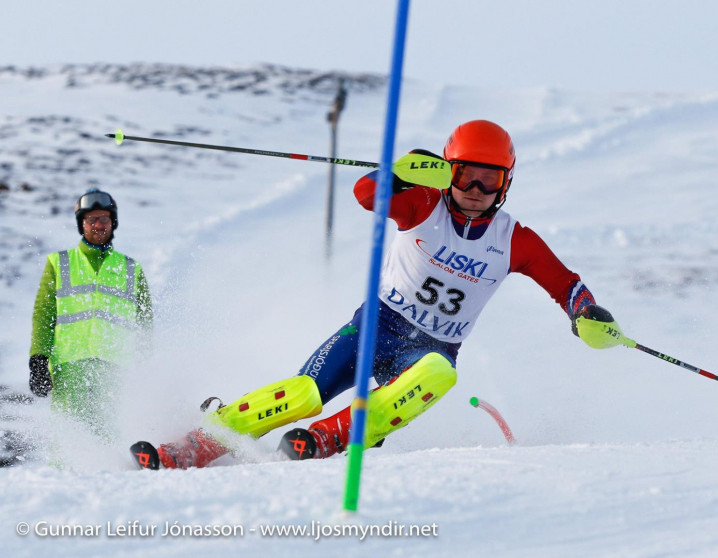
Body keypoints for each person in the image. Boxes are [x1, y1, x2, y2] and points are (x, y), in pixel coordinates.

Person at [132, 120, 624, 470]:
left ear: (506, 184)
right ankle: (192, 445)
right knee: (303, 393)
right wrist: (404, 172)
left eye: (489, 178)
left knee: (441, 373)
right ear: (448, 171)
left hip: (428, 349)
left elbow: (566, 284)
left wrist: (586, 312)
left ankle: (328, 439)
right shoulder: (423, 204)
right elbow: (366, 194)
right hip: (376, 326)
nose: (475, 187)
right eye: (466, 173)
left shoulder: (513, 240)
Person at [30, 188, 154, 440]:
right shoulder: (59, 263)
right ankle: (64, 480)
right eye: (91, 220)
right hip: (69, 366)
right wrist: (38, 358)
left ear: (113, 222)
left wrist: (146, 369)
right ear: (81, 224)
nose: (98, 225)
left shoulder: (131, 268)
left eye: (104, 219)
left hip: (117, 368)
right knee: (68, 439)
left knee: (112, 436)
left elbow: (145, 323)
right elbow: (43, 316)